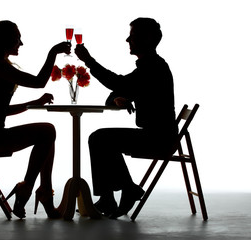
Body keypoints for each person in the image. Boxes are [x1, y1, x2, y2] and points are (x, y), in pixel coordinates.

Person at [75, 17, 177, 219]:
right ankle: (116, 194)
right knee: (101, 139)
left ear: (146, 38)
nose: (127, 40)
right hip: (158, 136)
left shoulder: (153, 67)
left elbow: (118, 83)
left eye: (132, 36)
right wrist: (119, 97)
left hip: (158, 139)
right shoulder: (150, 67)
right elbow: (119, 89)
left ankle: (118, 194)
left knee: (100, 139)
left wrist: (89, 61)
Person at [0, 20, 71, 219]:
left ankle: (41, 191)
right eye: (18, 39)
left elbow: (0, 110)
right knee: (47, 131)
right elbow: (39, 82)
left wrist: (33, 102)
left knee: (47, 134)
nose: (21, 44)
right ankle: (32, 188)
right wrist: (53, 52)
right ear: (6, 41)